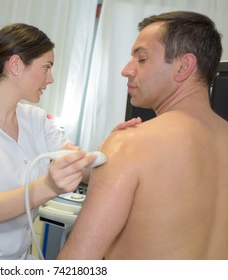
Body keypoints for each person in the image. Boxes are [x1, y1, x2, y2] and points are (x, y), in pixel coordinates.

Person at [0, 23, 139, 260]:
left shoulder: (35, 119)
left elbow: (81, 166)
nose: (51, 79)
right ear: (15, 65)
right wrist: (49, 186)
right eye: (46, 67)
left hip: (15, 257)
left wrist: (112, 147)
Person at [57, 11, 228, 260]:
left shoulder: (130, 144)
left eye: (142, 59)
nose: (126, 70)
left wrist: (114, 153)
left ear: (184, 66)